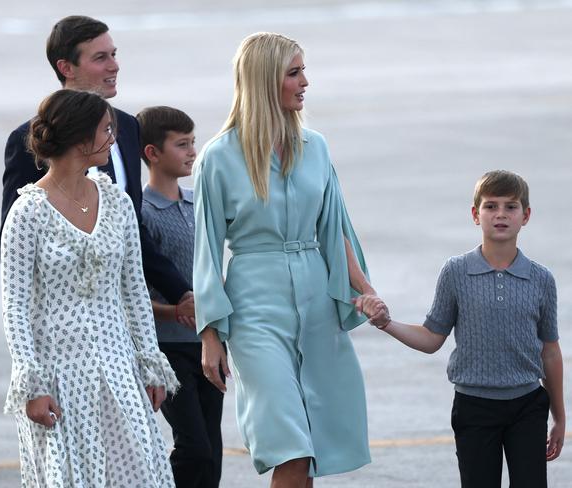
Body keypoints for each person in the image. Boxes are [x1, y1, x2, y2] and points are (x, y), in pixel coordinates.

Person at [193, 32, 384, 488]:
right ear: (264, 81)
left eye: (303, 71)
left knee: (311, 444)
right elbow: (206, 251)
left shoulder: (315, 147)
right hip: (255, 309)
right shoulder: (218, 158)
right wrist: (210, 336)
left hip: (316, 301)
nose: (305, 82)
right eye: (294, 72)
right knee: (290, 446)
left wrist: (366, 291)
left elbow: (335, 230)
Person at [1, 89, 179, 487]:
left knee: (138, 474)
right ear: (82, 140)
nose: (114, 139)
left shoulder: (116, 202)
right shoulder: (26, 213)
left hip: (119, 367)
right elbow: (15, 307)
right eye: (106, 130)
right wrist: (32, 384)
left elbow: (134, 290)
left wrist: (149, 362)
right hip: (59, 375)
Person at [357, 170, 566, 488]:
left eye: (510, 207)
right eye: (490, 206)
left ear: (525, 216)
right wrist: (387, 324)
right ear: (475, 214)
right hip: (474, 406)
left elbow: (550, 351)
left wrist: (560, 417)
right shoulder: (456, 272)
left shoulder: (541, 279)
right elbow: (431, 338)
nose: (500, 214)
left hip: (527, 404)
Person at [1, 15, 194, 319]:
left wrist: (182, 293)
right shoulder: (28, 140)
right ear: (66, 67)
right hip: (64, 319)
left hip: (127, 313)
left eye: (114, 55)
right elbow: (15, 247)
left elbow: (133, 229)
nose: (114, 66)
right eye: (101, 58)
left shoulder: (129, 127)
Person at [137, 106, 224, 488]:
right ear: (152, 153)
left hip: (209, 343)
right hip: (167, 349)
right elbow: (132, 294)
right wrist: (173, 311)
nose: (192, 152)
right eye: (182, 144)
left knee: (213, 447)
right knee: (193, 447)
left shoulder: (199, 203)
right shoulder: (140, 212)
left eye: (193, 142)